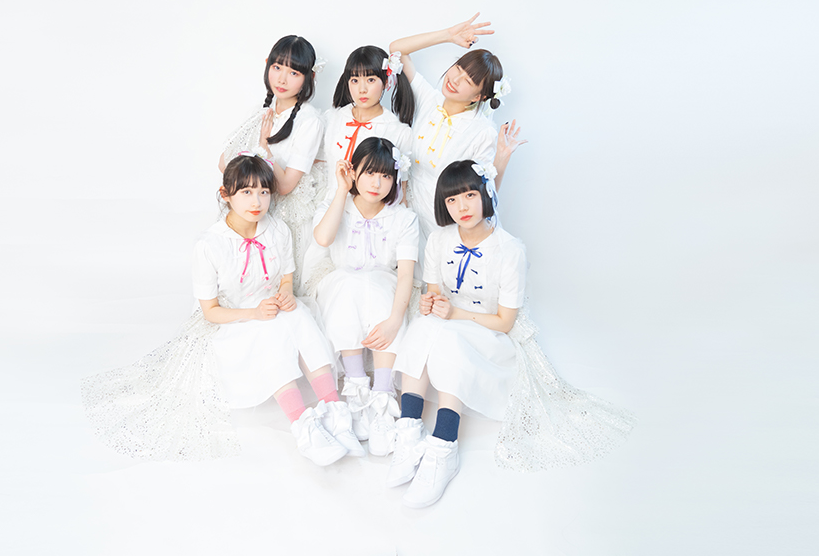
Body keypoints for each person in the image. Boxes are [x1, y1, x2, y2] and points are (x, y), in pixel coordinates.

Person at [82, 155, 362, 465]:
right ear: (226, 194)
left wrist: (285, 295)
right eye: (246, 192)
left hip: (270, 309)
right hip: (232, 322)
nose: (257, 201)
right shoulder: (209, 245)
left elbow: (286, 278)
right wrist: (254, 313)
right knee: (271, 331)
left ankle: (335, 412)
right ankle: (303, 427)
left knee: (299, 315)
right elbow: (210, 312)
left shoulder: (277, 230)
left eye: (264, 192)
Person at [389, 161, 636, 507]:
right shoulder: (439, 240)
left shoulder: (509, 250)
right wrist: (431, 303)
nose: (461, 207)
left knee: (448, 338)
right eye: (452, 200)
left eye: (469, 195)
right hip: (451, 324)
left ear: (485, 194)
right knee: (422, 326)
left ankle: (444, 446)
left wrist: (454, 314)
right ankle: (408, 430)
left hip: (491, 335)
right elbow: (434, 294)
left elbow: (505, 321)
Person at [312, 138, 419, 456]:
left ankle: (382, 400)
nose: (376, 183)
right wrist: (341, 190)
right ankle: (356, 390)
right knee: (347, 283)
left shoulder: (404, 218)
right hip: (341, 285)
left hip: (385, 286)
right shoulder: (336, 205)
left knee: (377, 285)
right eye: (370, 172)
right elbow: (323, 238)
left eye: (386, 175)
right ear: (353, 171)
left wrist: (395, 320)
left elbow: (405, 274)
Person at [389, 13, 526, 244]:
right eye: (458, 68)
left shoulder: (482, 131)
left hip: (444, 224)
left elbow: (485, 193)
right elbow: (396, 50)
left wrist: (501, 159)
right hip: (405, 213)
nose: (455, 79)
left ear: (479, 96)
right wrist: (447, 35)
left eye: (468, 81)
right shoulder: (429, 99)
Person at [219, 35, 326, 290]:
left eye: (293, 73)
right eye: (277, 68)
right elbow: (225, 163)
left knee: (276, 285)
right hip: (252, 208)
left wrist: (263, 149)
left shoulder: (309, 120)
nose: (282, 79)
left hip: (283, 218)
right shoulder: (261, 109)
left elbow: (286, 185)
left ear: (308, 78)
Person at [319, 45, 414, 200]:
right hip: (330, 207)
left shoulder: (399, 132)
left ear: (386, 82)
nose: (362, 89)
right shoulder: (332, 118)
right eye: (355, 80)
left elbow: (400, 191)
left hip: (371, 214)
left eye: (370, 80)